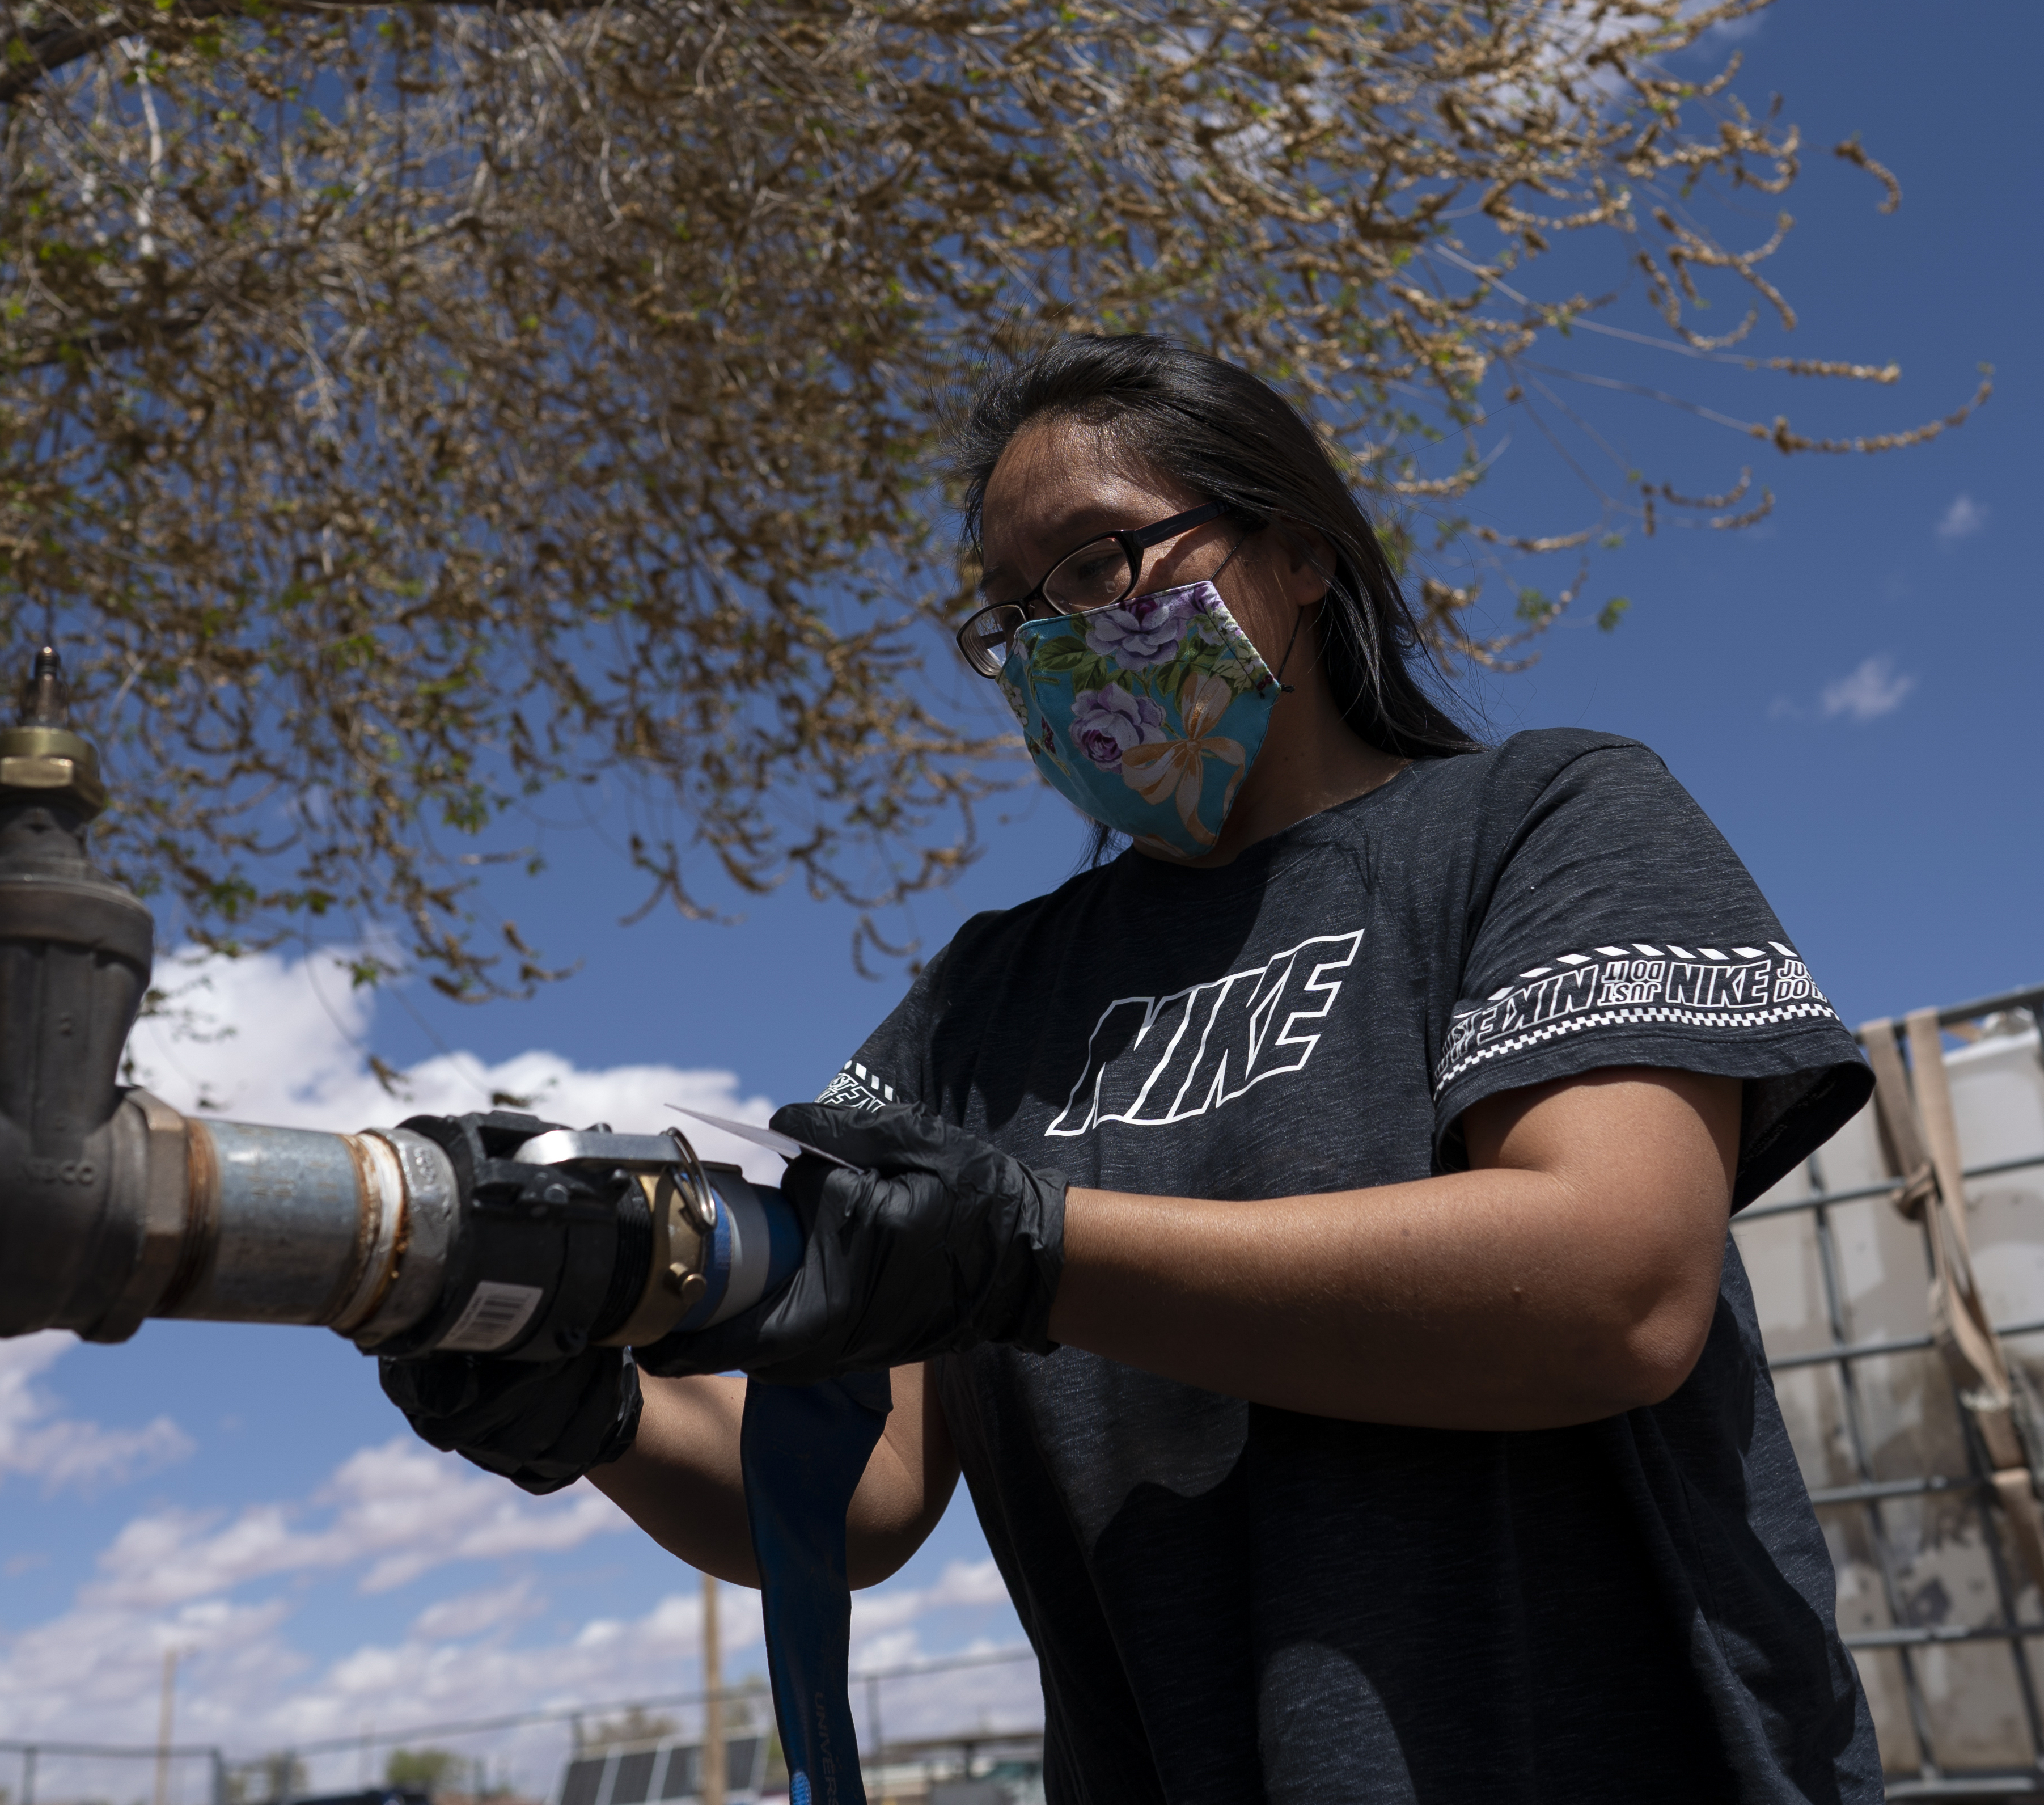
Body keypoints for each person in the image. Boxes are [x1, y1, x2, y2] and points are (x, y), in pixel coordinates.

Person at [382, 335, 1880, 1803]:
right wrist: (593, 1416)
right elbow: (872, 1486)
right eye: (1010, 613)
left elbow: (1614, 1292)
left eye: (1102, 563)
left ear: (1303, 554)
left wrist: (1033, 1254)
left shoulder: (1542, 822)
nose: (1057, 638)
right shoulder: (980, 1003)